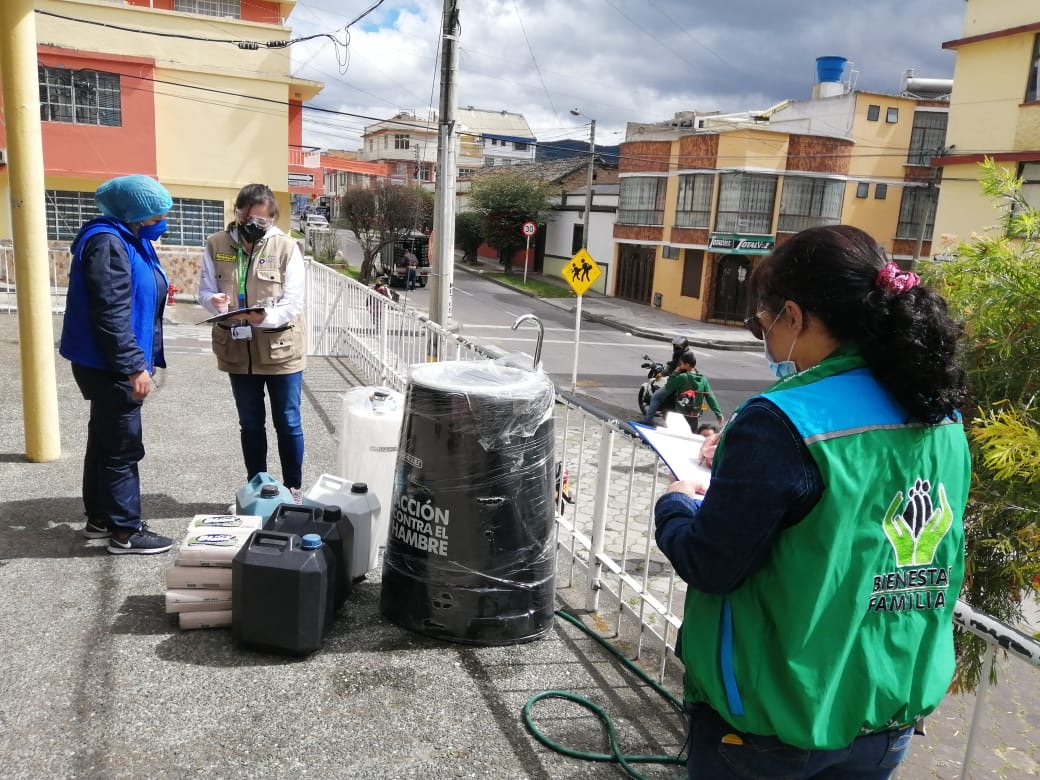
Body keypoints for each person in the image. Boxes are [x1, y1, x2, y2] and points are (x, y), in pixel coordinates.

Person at [654, 225, 970, 778]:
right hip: (888, 705)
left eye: (762, 324)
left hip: (775, 714)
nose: (766, 339)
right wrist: (738, 446)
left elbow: (711, 562)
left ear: (794, 317)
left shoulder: (781, 420)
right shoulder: (941, 413)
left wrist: (676, 505)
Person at [60, 174, 175, 554]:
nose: (160, 221)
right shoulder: (108, 242)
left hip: (108, 361)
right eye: (155, 214)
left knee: (103, 441)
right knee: (122, 447)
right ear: (134, 212)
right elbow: (110, 312)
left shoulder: (128, 237)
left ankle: (100, 519)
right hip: (112, 365)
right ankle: (126, 532)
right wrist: (133, 367)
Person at [199, 184, 307, 493]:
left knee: (287, 422)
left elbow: (293, 302)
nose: (252, 225)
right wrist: (214, 302)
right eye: (246, 216)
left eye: (261, 221)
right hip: (237, 348)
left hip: (280, 350)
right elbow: (204, 290)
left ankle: (293, 490)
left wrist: (266, 318)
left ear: (272, 219)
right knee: (250, 423)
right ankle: (257, 488)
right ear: (236, 212)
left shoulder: (286, 247)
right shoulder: (216, 243)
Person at [641, 349, 724, 432]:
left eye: (681, 363)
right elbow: (710, 397)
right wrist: (718, 413)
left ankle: (647, 420)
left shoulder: (683, 377)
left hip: (681, 415)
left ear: (687, 364)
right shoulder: (703, 379)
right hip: (695, 415)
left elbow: (669, 385)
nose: (680, 365)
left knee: (656, 397)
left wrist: (676, 371)